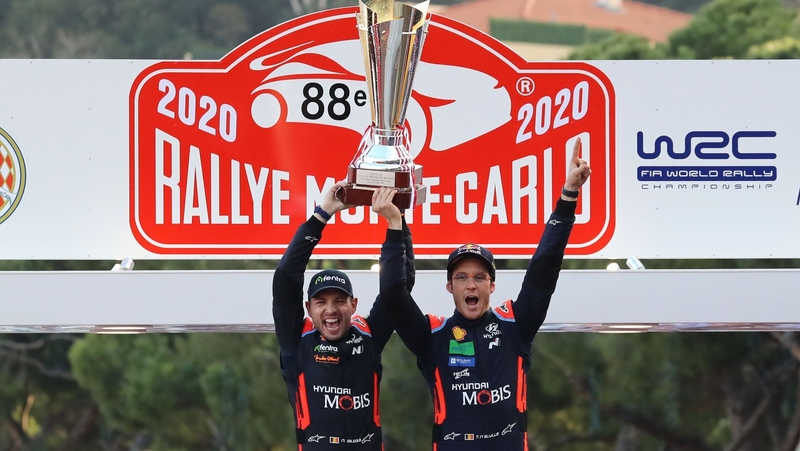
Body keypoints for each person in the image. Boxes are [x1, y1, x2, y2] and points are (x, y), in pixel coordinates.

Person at [376, 138, 591, 450]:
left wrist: (568, 196)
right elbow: (394, 297)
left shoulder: (515, 324)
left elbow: (544, 270)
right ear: (450, 287)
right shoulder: (433, 335)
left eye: (479, 277)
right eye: (462, 278)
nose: (471, 285)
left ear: (492, 285)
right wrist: (395, 226)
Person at [272, 180, 414, 450]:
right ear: (308, 309)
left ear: (354, 305)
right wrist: (322, 214)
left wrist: (397, 223)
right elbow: (286, 278)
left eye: (339, 300)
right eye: (321, 302)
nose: (330, 310)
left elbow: (400, 286)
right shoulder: (296, 340)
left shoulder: (368, 334)